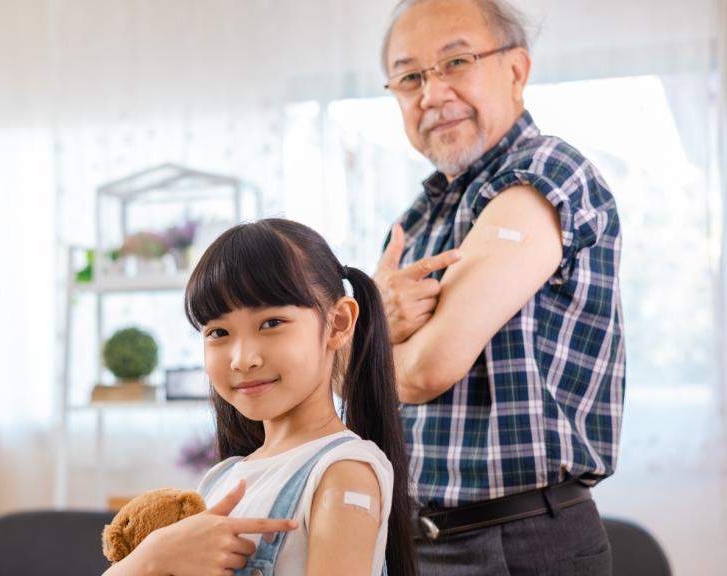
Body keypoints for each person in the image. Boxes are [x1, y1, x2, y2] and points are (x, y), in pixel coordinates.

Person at [373, 0, 625, 574]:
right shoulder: (418, 215)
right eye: (409, 76)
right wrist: (369, 336)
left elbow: (424, 370)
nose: (431, 94)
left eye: (455, 62)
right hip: (415, 542)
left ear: (516, 71)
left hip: (516, 544)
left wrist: (360, 338)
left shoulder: (547, 172)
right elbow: (360, 378)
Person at [106, 218, 416, 576]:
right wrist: (151, 558)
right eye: (218, 332)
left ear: (339, 322)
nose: (242, 359)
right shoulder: (222, 478)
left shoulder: (343, 472)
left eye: (271, 324)